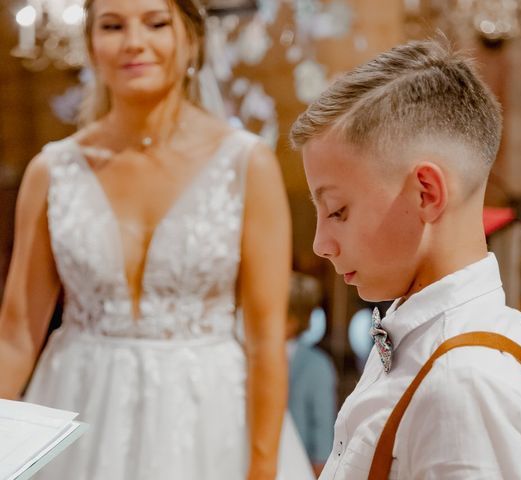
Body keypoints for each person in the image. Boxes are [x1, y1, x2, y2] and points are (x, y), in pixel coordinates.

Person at [0, 0, 314, 479]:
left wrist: (263, 466)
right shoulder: (53, 170)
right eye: (112, 26)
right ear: (90, 45)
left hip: (207, 420)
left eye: (155, 23)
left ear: (190, 39)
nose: (133, 42)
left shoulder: (245, 164)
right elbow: (17, 335)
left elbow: (265, 339)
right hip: (78, 408)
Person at [290, 39, 521, 479]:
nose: (322, 243)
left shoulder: (463, 383)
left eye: (338, 210)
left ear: (426, 193)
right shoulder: (419, 339)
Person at [286, 272, 337, 477]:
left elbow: (322, 425)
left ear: (292, 318)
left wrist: (318, 472)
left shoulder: (316, 365)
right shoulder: (246, 355)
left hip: (297, 465)